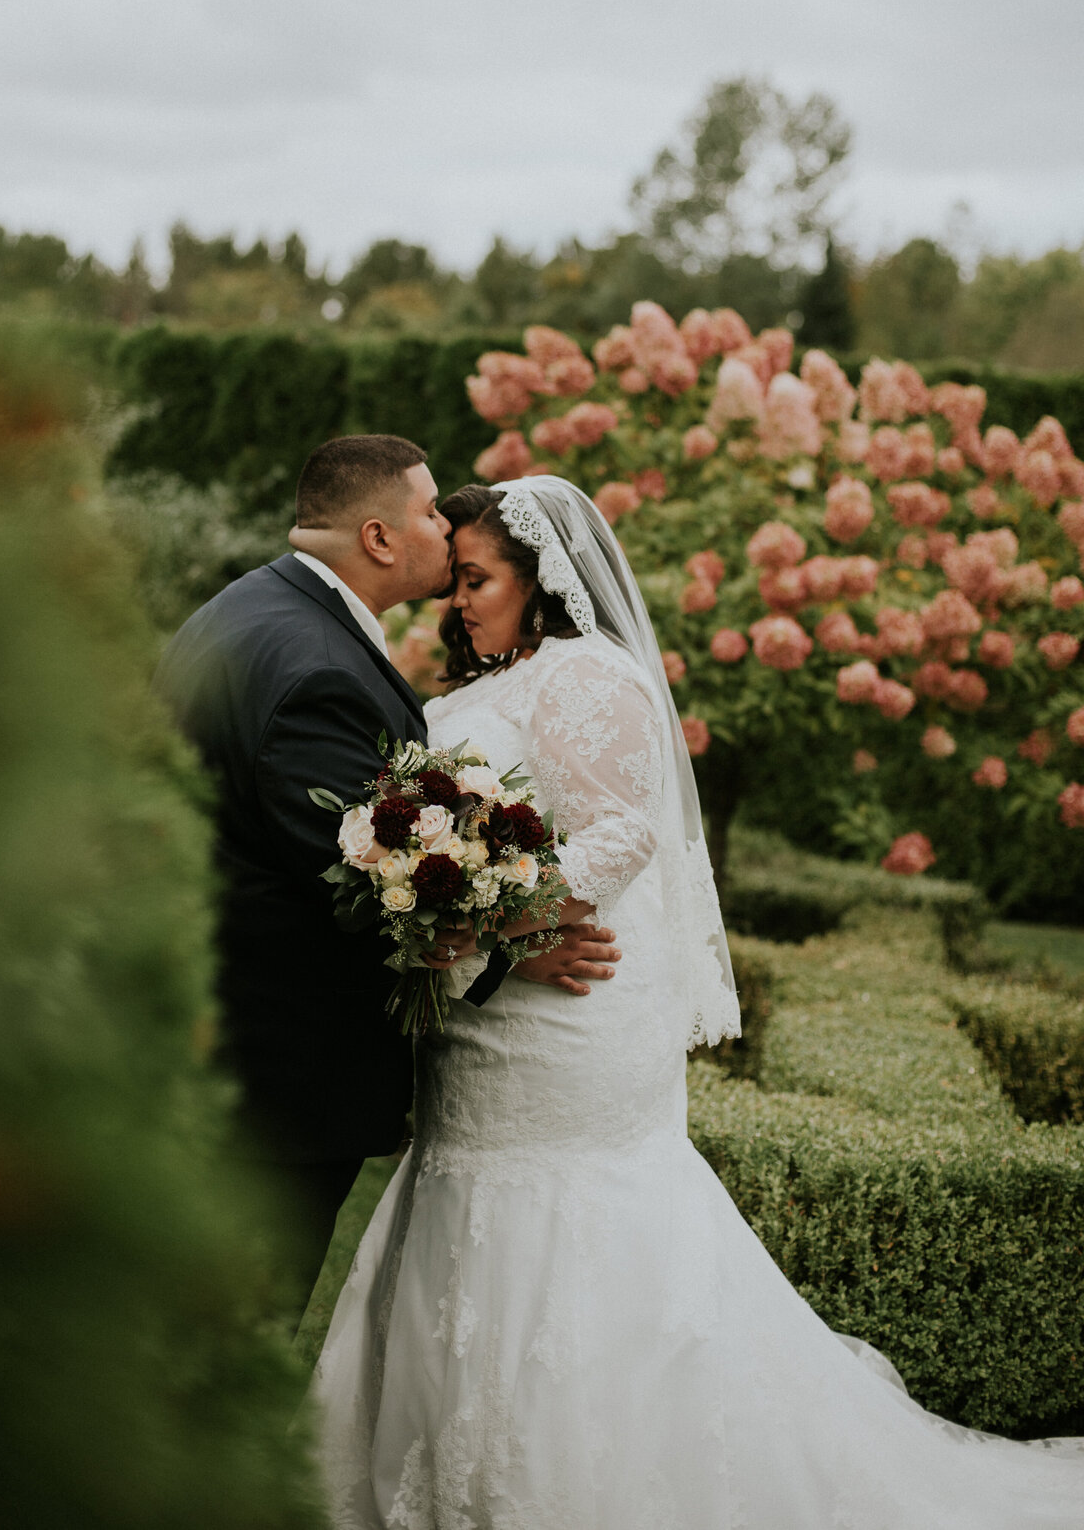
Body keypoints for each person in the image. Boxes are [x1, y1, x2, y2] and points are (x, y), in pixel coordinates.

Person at [315, 473, 1083, 1528]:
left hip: (571, 1015)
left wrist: (498, 914)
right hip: (483, 1017)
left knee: (569, 1225)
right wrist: (447, 924)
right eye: (455, 582)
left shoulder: (592, 678)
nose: (459, 601)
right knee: (464, 1200)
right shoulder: (460, 697)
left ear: (544, 580)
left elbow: (625, 831)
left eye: (479, 579)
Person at [153, 438, 620, 1304]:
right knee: (228, 1340)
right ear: (377, 538)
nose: (445, 526)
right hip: (273, 1086)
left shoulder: (253, 613)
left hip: (216, 1049)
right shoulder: (315, 669)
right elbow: (368, 887)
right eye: (431, 510)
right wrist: (512, 941)